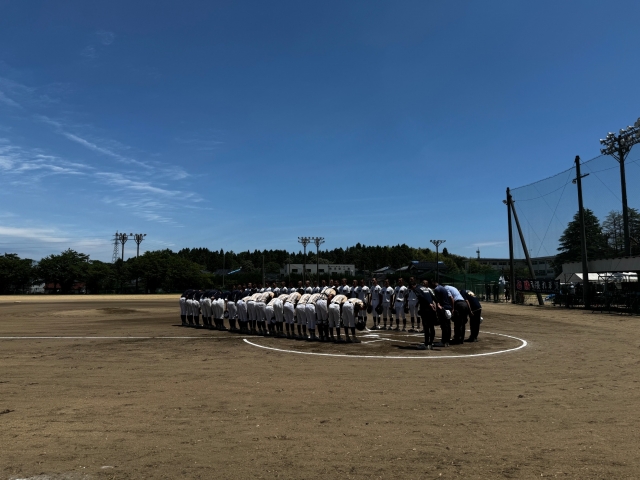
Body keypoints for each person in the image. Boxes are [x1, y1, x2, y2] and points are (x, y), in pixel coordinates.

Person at [412, 279, 438, 350]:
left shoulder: (417, 289)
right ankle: (431, 344)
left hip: (426, 309)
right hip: (432, 309)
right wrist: (437, 303)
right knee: (431, 327)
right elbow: (433, 297)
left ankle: (426, 344)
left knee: (426, 327)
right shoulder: (427, 289)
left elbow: (421, 297)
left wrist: (428, 304)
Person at [432, 280, 452, 347]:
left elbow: (438, 301)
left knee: (444, 325)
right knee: (448, 325)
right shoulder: (443, 288)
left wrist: (437, 311)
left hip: (443, 308)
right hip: (448, 307)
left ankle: (444, 341)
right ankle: (447, 341)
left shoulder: (437, 289)